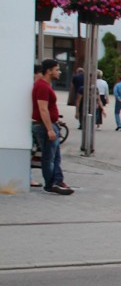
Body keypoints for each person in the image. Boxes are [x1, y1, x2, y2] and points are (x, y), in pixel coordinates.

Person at [31, 59, 73, 195]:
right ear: (49, 71)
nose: (59, 72)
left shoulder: (45, 85)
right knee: (49, 157)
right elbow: (43, 109)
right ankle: (51, 184)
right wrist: (49, 128)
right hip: (44, 126)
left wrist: (55, 122)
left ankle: (58, 181)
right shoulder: (42, 86)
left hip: (50, 124)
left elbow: (48, 108)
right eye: (57, 69)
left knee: (55, 156)